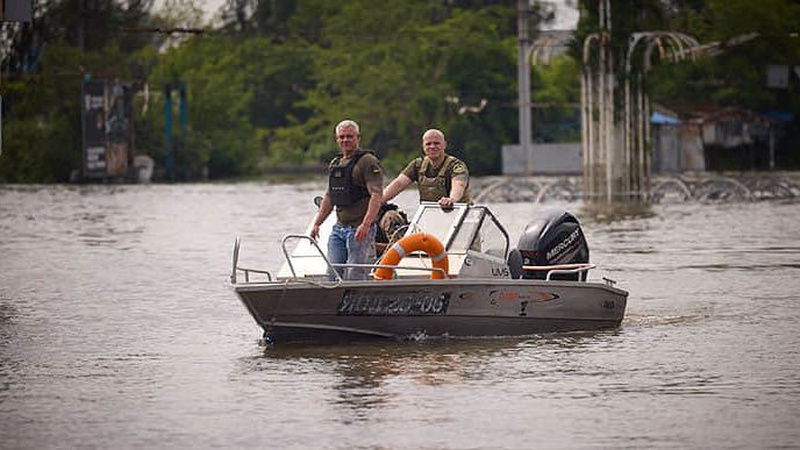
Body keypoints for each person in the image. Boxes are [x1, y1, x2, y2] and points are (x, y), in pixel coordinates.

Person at [310, 120, 384, 280]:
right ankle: (334, 302)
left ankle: (361, 301)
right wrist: (317, 223)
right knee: (333, 273)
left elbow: (377, 195)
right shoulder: (336, 163)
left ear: (358, 138)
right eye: (342, 137)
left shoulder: (367, 162)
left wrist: (366, 224)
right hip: (339, 228)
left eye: (349, 136)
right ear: (337, 140)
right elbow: (330, 196)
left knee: (355, 274)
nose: (345, 140)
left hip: (360, 229)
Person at [382, 128, 471, 209]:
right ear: (423, 147)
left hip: (458, 215)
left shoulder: (456, 166)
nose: (432, 147)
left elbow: (459, 185)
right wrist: (379, 200)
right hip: (429, 216)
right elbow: (399, 183)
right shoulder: (417, 165)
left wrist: (451, 199)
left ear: (444, 145)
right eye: (428, 144)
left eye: (436, 143)